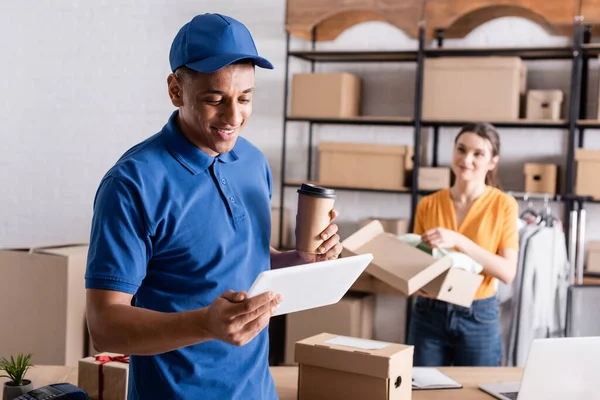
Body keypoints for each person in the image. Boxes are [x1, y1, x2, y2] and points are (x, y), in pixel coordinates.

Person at [84, 13, 343, 400]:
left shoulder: (253, 162)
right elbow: (104, 326)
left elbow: (243, 260)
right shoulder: (132, 184)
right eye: (214, 99)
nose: (233, 117)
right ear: (176, 90)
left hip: (257, 391)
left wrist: (299, 261)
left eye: (245, 98)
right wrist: (207, 325)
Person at [408, 122, 519, 367]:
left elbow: (507, 272)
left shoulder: (504, 205)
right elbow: (416, 263)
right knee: (421, 391)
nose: (466, 159)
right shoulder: (428, 204)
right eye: (461, 149)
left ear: (493, 162)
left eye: (478, 154)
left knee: (476, 391)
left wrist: (459, 241)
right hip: (429, 312)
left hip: (478, 315)